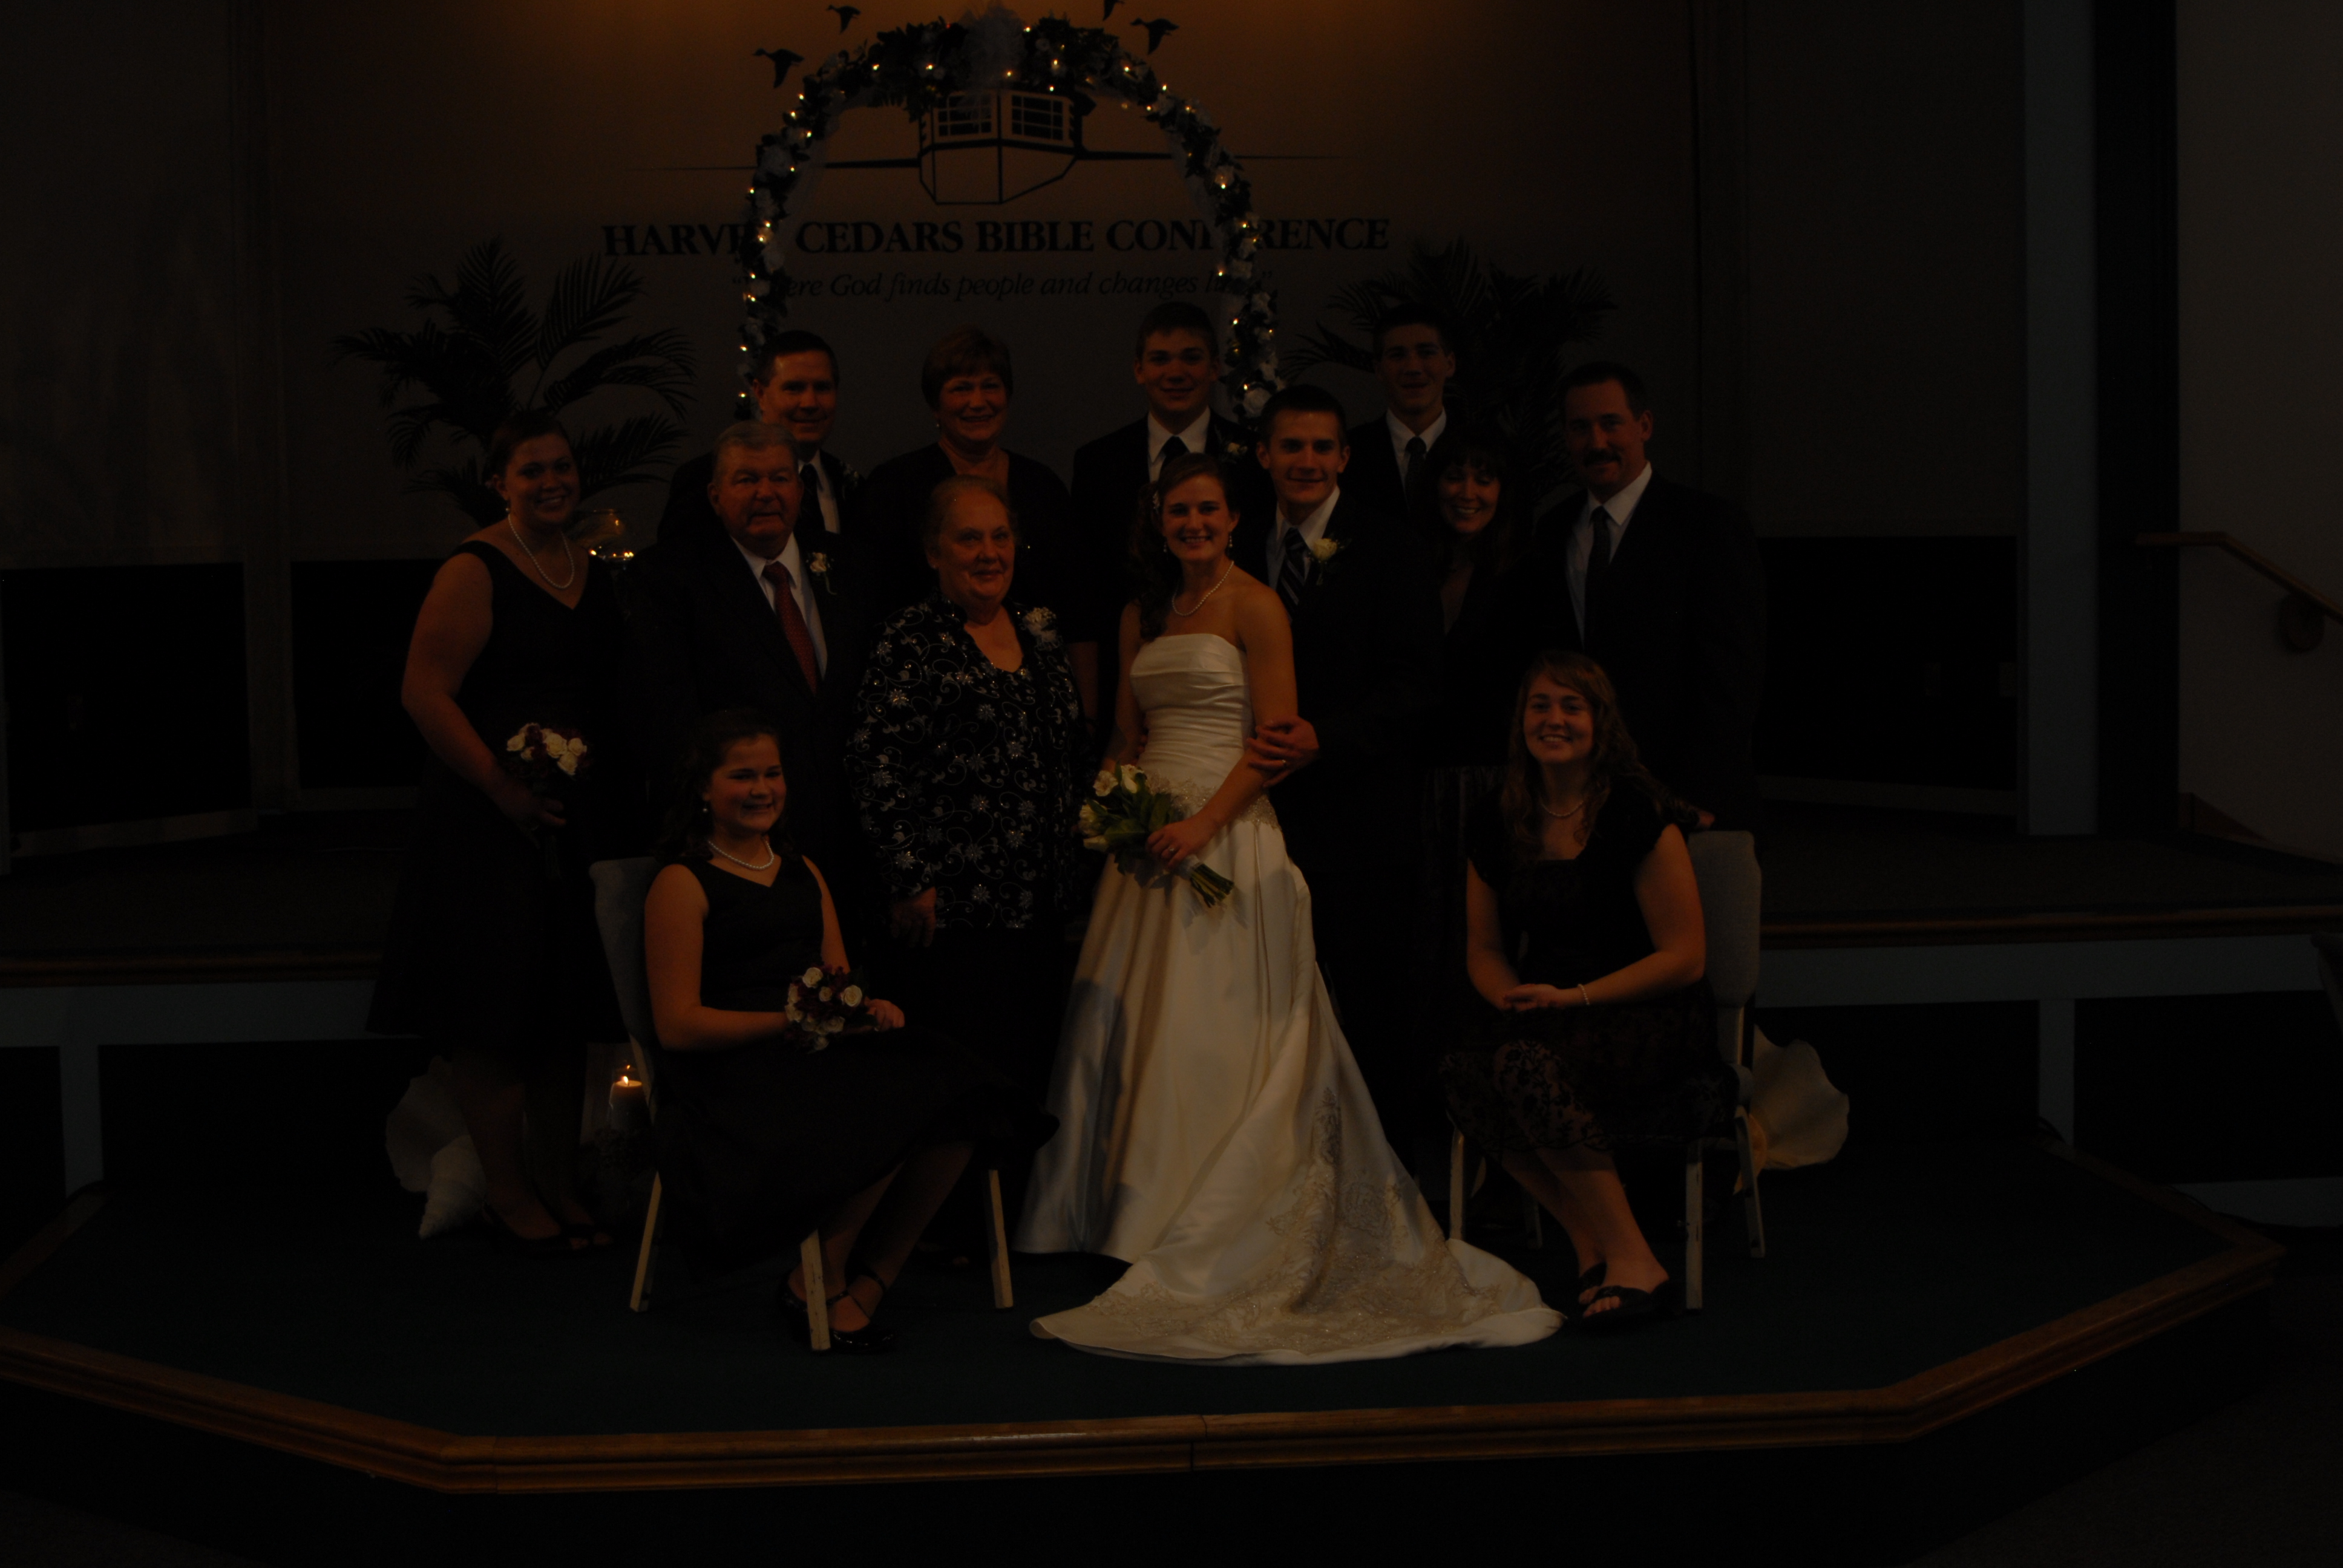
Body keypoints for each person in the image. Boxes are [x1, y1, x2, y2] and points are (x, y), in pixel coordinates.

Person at [1016, 452, 1558, 1363]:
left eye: (1208, 511)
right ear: (1159, 522)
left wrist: (1204, 825)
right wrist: (1114, 803)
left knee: (1213, 1030)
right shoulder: (1140, 611)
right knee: (1138, 1031)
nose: (1193, 525)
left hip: (1226, 833)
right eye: (1178, 512)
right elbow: (1123, 731)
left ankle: (1214, 1212)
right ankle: (1126, 1212)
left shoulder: (1257, 605)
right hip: (1147, 846)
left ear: (1233, 520)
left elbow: (1274, 742)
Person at [644, 710, 1049, 1353]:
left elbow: (836, 983)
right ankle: (820, 1279)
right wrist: (792, 1022)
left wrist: (867, 1007)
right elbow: (677, 1027)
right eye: (742, 776)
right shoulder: (681, 881)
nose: (761, 789)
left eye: (772, 773)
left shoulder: (802, 869)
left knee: (959, 1092)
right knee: (886, 1101)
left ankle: (867, 1282)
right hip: (731, 1072)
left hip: (811, 1045)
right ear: (703, 788)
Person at [369, 412, 638, 1255]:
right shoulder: (474, 568)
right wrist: (501, 787)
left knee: (560, 1014)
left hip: (567, 820)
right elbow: (423, 693)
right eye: (532, 471)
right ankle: (509, 1192)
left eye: (562, 467)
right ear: (500, 483)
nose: (552, 482)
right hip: (485, 825)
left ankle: (559, 1183)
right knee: (491, 1016)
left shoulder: (590, 568)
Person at [1441, 652, 1738, 1328]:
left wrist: (1573, 998)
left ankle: (1636, 1258)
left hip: (1642, 1008)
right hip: (1549, 1005)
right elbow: (1485, 948)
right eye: (1540, 705)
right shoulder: (1497, 815)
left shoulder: (1636, 811)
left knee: (1524, 1064)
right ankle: (1587, 1235)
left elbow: (1685, 957)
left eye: (1571, 707)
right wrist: (1510, 996)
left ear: (1600, 723)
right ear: (1521, 721)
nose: (1554, 720)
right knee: (1462, 1069)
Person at [1234, 384, 1442, 1142]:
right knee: (1266, 1010)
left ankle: (1384, 1171)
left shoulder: (1391, 546)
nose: (1307, 461)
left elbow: (1418, 684)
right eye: (1291, 446)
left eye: (1322, 447)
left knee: (1371, 1009)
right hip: (1259, 822)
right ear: (1263, 455)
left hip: (1361, 824)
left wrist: (1325, 738)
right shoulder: (1236, 544)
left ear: (1345, 458)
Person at [845, 477, 1088, 1107]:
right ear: (934, 552)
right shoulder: (909, 639)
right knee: (963, 1087)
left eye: (1000, 537)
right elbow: (877, 763)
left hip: (1038, 909)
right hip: (950, 917)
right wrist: (909, 878)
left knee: (1028, 1078)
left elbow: (1067, 748)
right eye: (969, 539)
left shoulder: (1037, 630)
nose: (989, 553)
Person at [623, 420, 879, 944]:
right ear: (715, 495)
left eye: (780, 478)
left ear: (800, 490)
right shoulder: (668, 577)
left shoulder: (850, 564)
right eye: (746, 480)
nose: (766, 493)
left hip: (853, 845)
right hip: (739, 849)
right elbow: (668, 720)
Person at [1500, 361, 1766, 829]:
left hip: (1681, 790)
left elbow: (1731, 678)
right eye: (1580, 428)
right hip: (1578, 790)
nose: (1596, 442)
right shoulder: (1554, 530)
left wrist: (1692, 796)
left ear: (1644, 426)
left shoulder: (1707, 525)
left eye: (1611, 423)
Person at [851, 326, 1094, 711]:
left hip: (1042, 702)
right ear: (935, 405)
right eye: (961, 389)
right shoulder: (895, 487)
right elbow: (874, 610)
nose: (978, 402)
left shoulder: (1043, 487)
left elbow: (1079, 614)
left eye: (990, 386)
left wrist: (1088, 718)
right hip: (933, 698)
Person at [1067, 302, 1271, 718]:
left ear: (1214, 368)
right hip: (1124, 683)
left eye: (1191, 358)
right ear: (1139, 369)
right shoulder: (1097, 463)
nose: (1176, 373)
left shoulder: (1254, 459)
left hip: (1228, 686)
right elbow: (1087, 592)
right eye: (1160, 360)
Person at [660, 331, 857, 549]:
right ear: (760, 394)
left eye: (822, 388)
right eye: (794, 388)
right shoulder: (703, 480)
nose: (810, 403)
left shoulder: (853, 486)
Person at [1426, 423, 1536, 767]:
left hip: (1495, 769)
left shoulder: (1527, 575)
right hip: (1416, 764)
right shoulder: (1412, 568)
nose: (1467, 493)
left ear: (1503, 492)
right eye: (1454, 477)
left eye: (1484, 481)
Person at [1343, 304, 1457, 531]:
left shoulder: (1488, 451)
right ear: (1378, 370)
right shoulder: (1347, 455)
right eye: (1398, 355)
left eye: (1426, 353)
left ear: (1450, 364)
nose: (1413, 367)